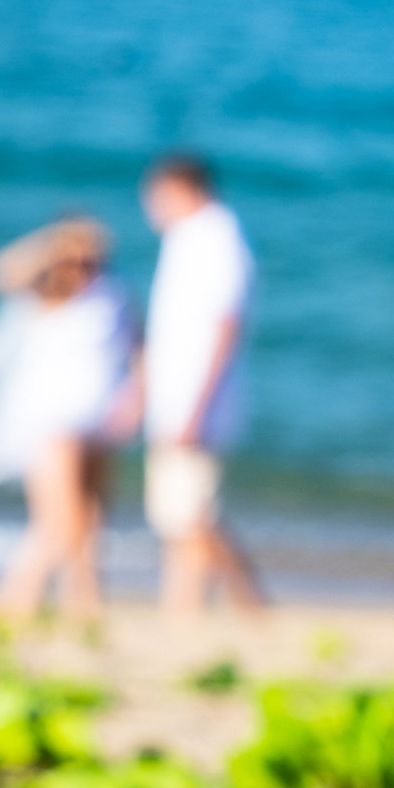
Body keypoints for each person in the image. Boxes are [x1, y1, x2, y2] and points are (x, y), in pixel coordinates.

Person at [0, 214, 136, 622]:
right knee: (58, 524)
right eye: (80, 259)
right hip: (53, 422)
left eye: (95, 259)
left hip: (98, 423)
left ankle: (80, 607)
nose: (87, 266)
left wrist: (135, 399)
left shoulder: (113, 295)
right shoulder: (46, 293)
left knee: (92, 522)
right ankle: (25, 606)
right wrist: (52, 244)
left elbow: (140, 349)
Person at [140, 151, 263, 615]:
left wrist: (197, 407)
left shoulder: (217, 239)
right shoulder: (188, 238)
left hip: (198, 403)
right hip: (178, 400)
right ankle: (181, 611)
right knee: (176, 518)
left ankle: (251, 604)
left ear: (180, 189)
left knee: (193, 515)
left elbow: (225, 325)